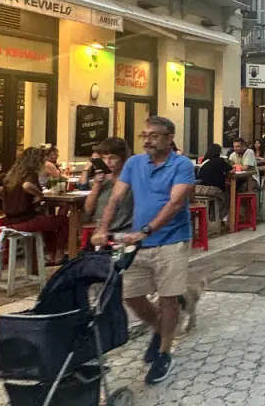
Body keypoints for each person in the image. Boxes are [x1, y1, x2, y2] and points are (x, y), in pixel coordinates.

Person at [91, 116, 195, 385]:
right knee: (131, 295)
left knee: (168, 299)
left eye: (154, 136)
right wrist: (103, 228)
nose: (147, 140)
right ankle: (160, 329)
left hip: (172, 240)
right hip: (138, 242)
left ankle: (164, 352)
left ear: (169, 138)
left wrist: (145, 231)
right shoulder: (134, 163)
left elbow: (175, 203)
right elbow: (115, 198)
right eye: (144, 135)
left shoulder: (182, 165)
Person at [0, 147, 68, 264]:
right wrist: (39, 194)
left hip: (9, 221)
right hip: (26, 220)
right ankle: (59, 255)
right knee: (63, 221)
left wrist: (0, 192)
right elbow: (27, 185)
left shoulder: (9, 175)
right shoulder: (30, 174)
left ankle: (51, 255)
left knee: (48, 222)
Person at [84, 137, 134, 234]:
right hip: (100, 230)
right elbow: (88, 210)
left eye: (112, 158)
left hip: (124, 231)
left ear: (123, 159)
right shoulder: (102, 178)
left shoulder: (131, 179)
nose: (107, 162)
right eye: (104, 158)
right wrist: (96, 186)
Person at [196, 144, 232, 222]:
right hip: (213, 190)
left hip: (201, 189)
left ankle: (210, 217)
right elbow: (231, 171)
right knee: (229, 196)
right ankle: (222, 218)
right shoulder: (220, 161)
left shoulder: (204, 161)